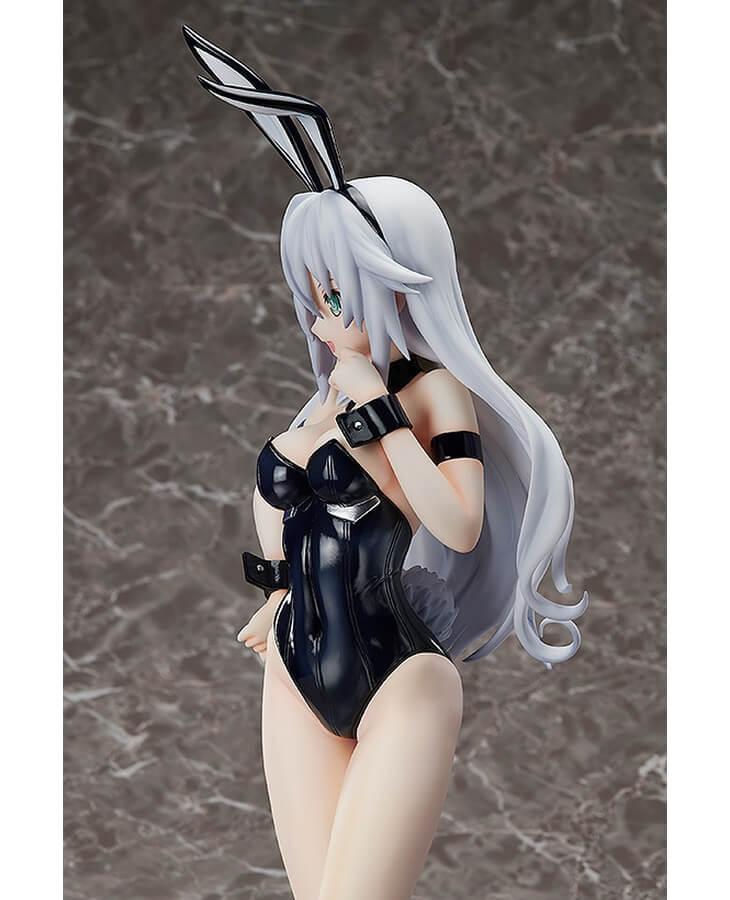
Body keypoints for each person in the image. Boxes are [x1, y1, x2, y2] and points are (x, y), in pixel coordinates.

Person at [183, 25, 589, 900]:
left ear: (393, 277)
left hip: (401, 677)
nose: (322, 308)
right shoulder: (316, 408)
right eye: (313, 288)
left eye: (338, 286)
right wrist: (278, 592)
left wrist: (376, 406)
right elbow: (282, 505)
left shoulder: (431, 392)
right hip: (293, 670)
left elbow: (458, 523)